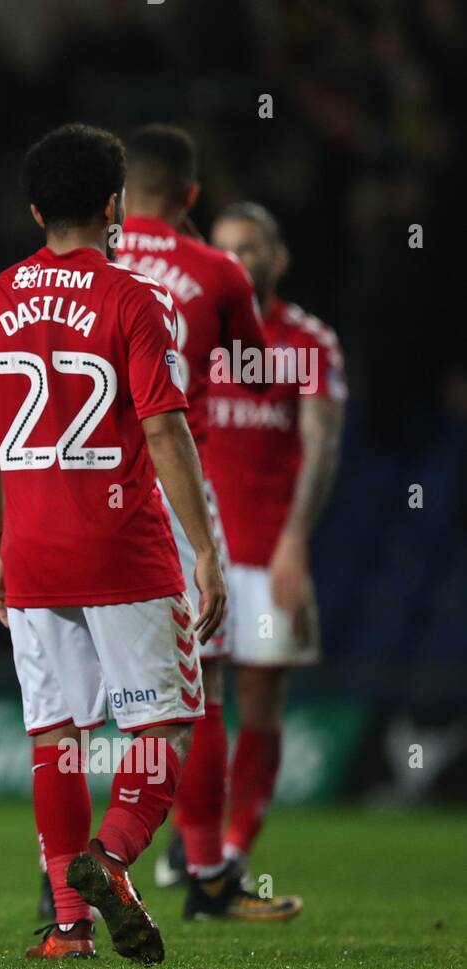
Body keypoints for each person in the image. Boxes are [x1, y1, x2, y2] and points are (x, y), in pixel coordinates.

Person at [0, 122, 225, 964]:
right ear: (114, 206)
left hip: (33, 553)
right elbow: (166, 429)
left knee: (56, 735)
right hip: (124, 549)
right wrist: (206, 549)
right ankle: (108, 858)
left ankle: (69, 928)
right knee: (169, 726)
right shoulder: (138, 299)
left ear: (35, 208)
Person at [113, 124, 300, 921]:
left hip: (81, 493)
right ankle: (207, 875)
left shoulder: (81, 262)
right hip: (180, 491)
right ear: (191, 196)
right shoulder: (213, 269)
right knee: (203, 684)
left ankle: (64, 882)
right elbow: (258, 379)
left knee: (79, 697)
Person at [206, 202, 345, 873]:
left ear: (278, 258)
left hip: (267, 550)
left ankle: (234, 847)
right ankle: (194, 840)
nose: (238, 258)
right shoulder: (188, 333)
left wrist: (295, 540)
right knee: (189, 696)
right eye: (225, 246)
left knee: (259, 695)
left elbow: (322, 449)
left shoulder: (308, 343)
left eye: (251, 247)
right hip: (197, 551)